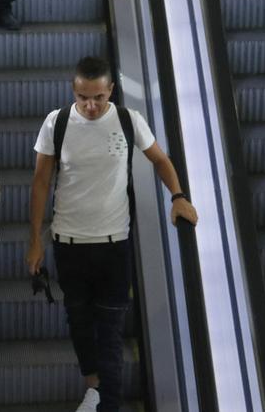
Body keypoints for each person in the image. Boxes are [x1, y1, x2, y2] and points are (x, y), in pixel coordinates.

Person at [26, 57, 199, 412]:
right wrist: (34, 242)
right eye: (82, 97)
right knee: (79, 323)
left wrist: (178, 196)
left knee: (110, 331)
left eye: (99, 98)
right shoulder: (56, 123)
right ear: (73, 91)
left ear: (112, 92)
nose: (90, 106)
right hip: (68, 244)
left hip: (115, 245)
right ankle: (93, 389)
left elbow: (160, 160)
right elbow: (41, 182)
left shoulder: (127, 121)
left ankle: (110, 405)